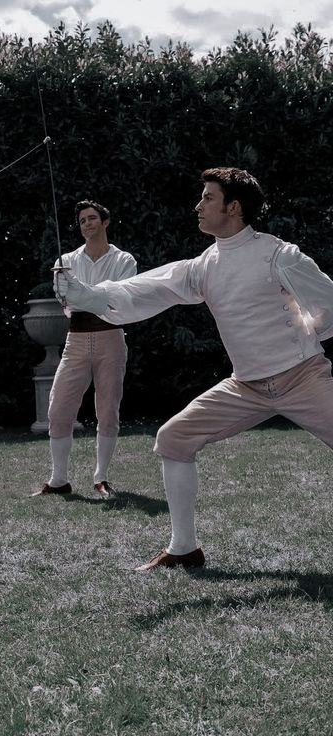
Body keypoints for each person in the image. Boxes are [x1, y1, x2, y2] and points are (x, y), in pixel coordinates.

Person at [56, 167, 333, 570]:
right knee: (173, 439)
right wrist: (90, 295)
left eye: (208, 198)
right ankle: (184, 549)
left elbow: (328, 304)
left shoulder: (280, 254)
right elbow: (153, 285)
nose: (197, 206)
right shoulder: (206, 264)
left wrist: (304, 337)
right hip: (246, 387)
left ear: (233, 208)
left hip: (303, 377)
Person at [36, 199, 137, 498]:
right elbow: (66, 302)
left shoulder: (124, 260)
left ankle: (101, 477)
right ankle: (59, 480)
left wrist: (82, 292)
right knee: (58, 408)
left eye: (92, 218)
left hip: (111, 338)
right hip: (76, 339)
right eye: (82, 221)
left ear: (105, 222)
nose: (88, 224)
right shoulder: (66, 259)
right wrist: (82, 295)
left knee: (108, 411)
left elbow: (119, 301)